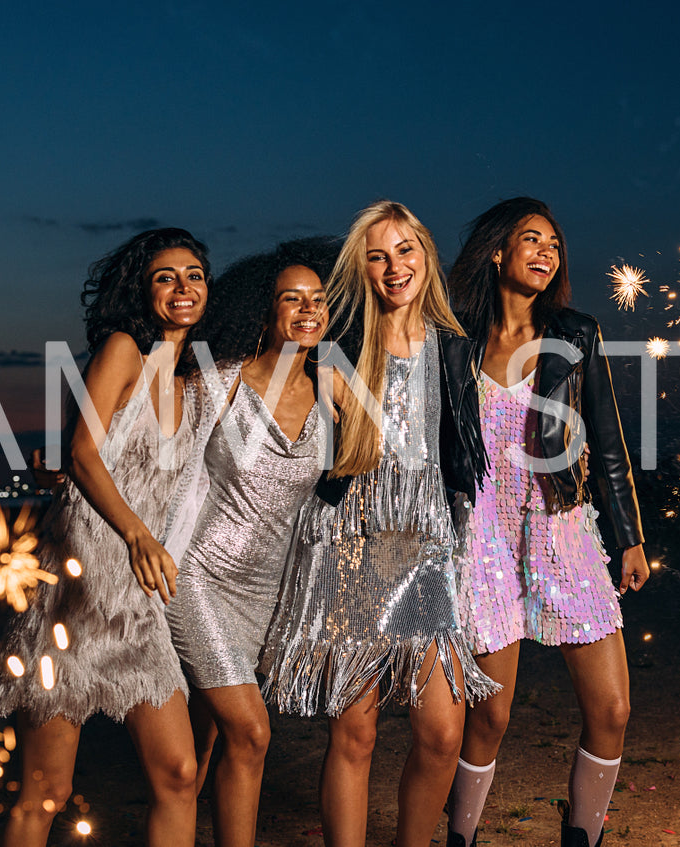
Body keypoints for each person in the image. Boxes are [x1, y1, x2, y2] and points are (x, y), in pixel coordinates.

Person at [261, 200, 499, 847]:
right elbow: (267, 407)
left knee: (442, 731)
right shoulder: (336, 345)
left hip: (425, 547)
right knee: (356, 730)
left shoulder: (455, 350)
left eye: (405, 250)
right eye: (377, 255)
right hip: (349, 543)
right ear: (361, 269)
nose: (394, 266)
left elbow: (467, 451)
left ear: (425, 257)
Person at [0, 228, 211, 847]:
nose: (183, 287)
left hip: (141, 606)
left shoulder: (194, 382)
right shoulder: (122, 350)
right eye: (166, 276)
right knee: (45, 794)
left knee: (180, 774)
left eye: (194, 274)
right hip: (76, 596)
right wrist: (136, 534)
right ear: (142, 289)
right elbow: (83, 454)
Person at [443, 198, 649, 847]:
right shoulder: (455, 340)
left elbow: (609, 443)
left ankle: (580, 837)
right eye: (530, 239)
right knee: (488, 715)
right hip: (480, 536)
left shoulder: (576, 332)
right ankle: (458, 836)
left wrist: (629, 537)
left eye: (554, 244)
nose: (545, 251)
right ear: (498, 252)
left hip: (560, 528)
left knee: (612, 709)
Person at [162, 238, 335, 847]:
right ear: (267, 312)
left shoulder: (333, 398)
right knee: (253, 733)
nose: (308, 309)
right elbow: (142, 441)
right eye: (293, 298)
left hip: (269, 593)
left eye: (318, 299)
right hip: (198, 576)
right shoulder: (218, 384)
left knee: (208, 738)